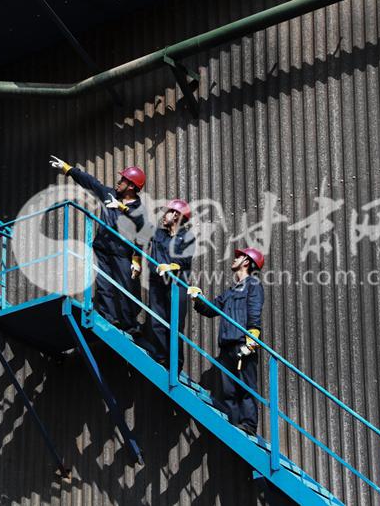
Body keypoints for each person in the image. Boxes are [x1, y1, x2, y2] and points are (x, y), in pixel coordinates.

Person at [50, 157, 152, 334]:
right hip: (101, 250)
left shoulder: (139, 210)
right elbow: (90, 182)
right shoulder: (109, 194)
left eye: (123, 180)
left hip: (122, 254)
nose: (118, 182)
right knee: (104, 286)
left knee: (125, 289)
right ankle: (109, 318)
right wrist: (68, 169)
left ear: (131, 186)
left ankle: (130, 326)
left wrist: (137, 259)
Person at [190, 247, 265, 436]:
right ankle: (235, 423)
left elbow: (254, 311)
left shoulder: (253, 285)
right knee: (229, 389)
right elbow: (211, 309)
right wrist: (198, 299)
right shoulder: (231, 291)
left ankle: (248, 424)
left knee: (246, 386)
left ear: (246, 262)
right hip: (226, 345)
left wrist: (252, 338)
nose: (234, 259)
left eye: (239, 257)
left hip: (243, 344)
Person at [146, 199, 197, 368]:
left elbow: (185, 258)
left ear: (176, 216)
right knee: (157, 322)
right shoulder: (159, 234)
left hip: (176, 284)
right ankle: (162, 357)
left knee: (175, 325)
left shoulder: (188, 237)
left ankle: (175, 363)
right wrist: (124, 207)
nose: (164, 215)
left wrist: (171, 266)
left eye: (167, 212)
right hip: (157, 284)